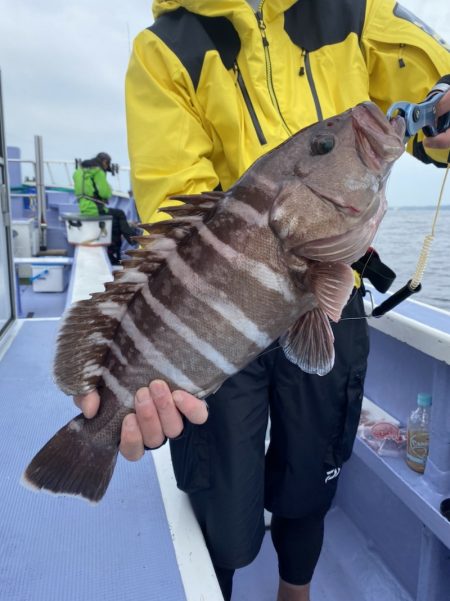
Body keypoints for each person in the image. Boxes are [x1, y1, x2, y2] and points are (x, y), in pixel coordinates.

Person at [77, 2, 450, 600]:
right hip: (214, 316)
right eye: (328, 147)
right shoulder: (166, 47)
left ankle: (293, 591)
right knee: (222, 501)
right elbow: (179, 204)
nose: (359, 124)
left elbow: (431, 89)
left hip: (328, 299)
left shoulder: (356, 9)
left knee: (312, 472)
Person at [73, 152, 139, 265]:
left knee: (115, 216)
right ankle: (131, 242)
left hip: (84, 207)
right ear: (104, 162)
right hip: (94, 208)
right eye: (107, 164)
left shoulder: (79, 171)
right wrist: (107, 191)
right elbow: (105, 193)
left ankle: (126, 244)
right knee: (118, 215)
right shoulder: (97, 171)